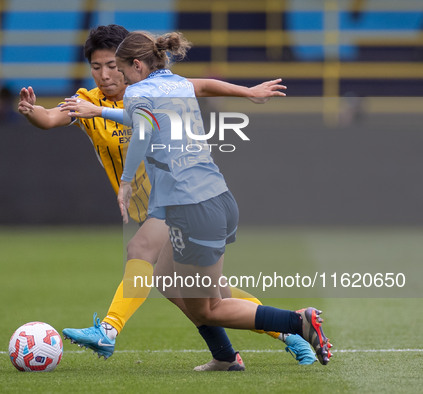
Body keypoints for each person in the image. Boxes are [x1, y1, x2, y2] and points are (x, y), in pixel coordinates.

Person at [18, 24, 316, 369]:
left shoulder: (155, 90)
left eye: (112, 66)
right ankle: (263, 340)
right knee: (185, 289)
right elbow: (51, 117)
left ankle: (108, 330)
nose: (104, 75)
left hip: (178, 199)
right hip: (157, 208)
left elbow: (199, 86)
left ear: (131, 63)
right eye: (96, 67)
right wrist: (32, 112)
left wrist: (246, 92)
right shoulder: (88, 101)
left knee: (141, 250)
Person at [106, 30, 332, 366]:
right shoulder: (177, 84)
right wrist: (248, 91)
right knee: (170, 279)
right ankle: (226, 357)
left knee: (209, 308)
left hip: (190, 207)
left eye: (122, 71)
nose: (120, 79)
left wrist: (126, 182)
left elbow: (141, 131)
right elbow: (205, 86)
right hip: (218, 198)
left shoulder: (138, 92)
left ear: (137, 65)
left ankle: (297, 322)